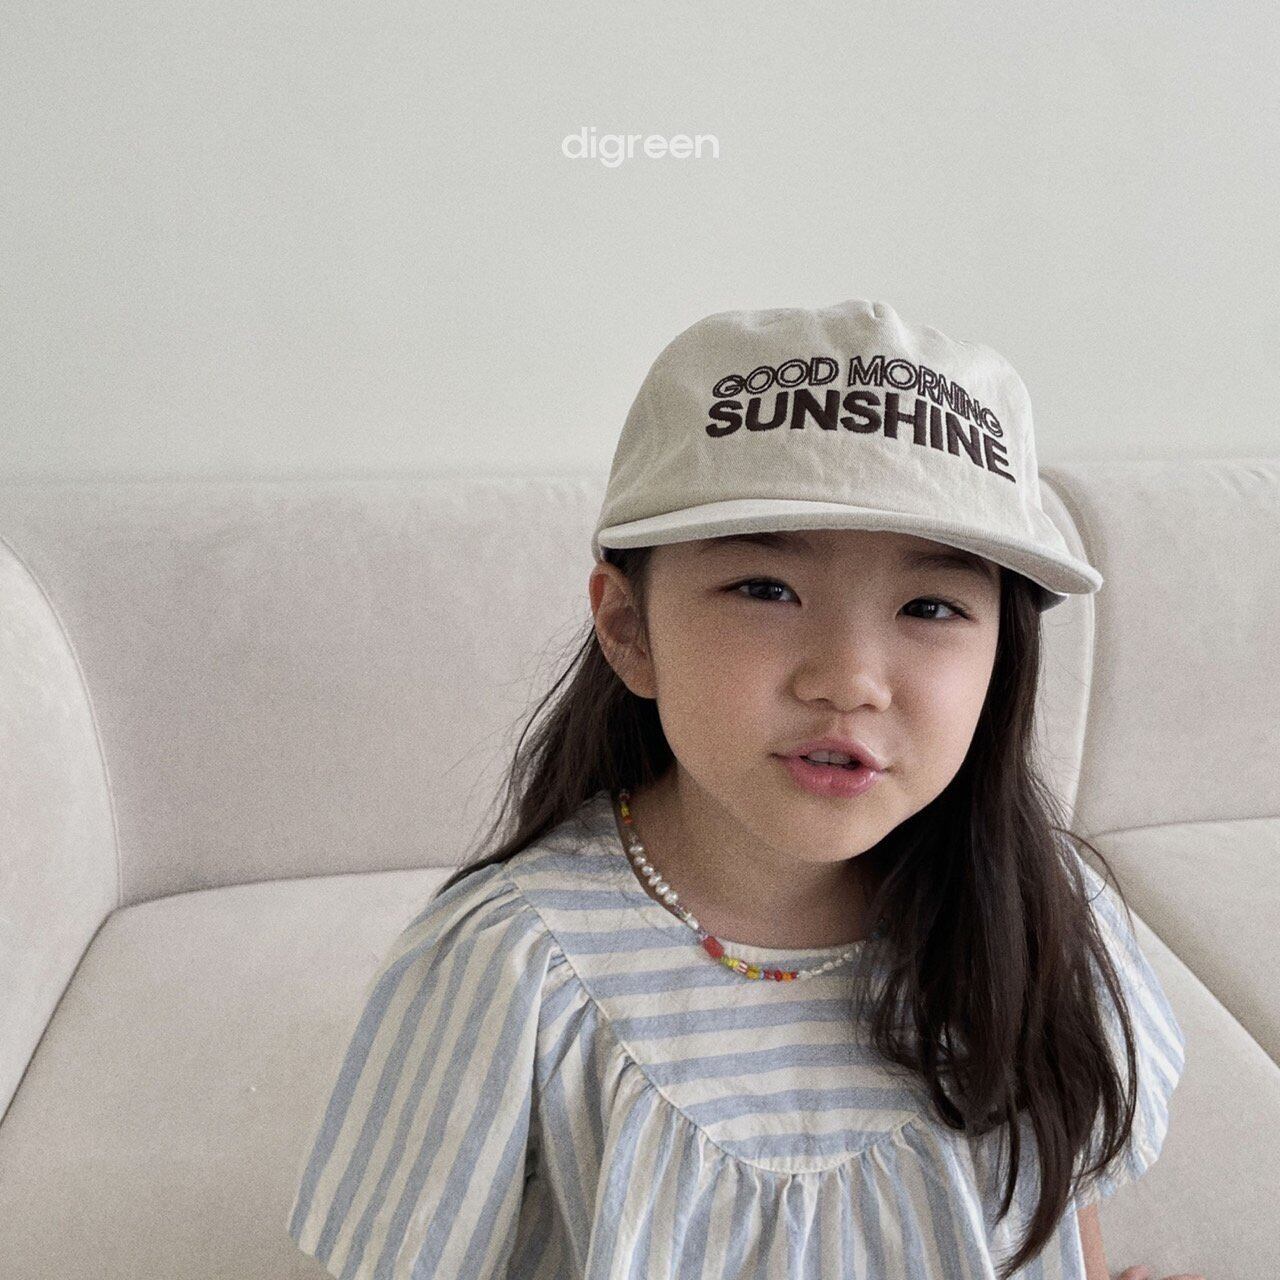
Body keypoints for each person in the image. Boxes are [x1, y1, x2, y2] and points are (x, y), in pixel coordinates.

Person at [284, 298, 1200, 1279]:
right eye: (766, 589)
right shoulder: (511, 966)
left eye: (930, 606)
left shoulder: (1044, 913)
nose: (849, 678)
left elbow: (1055, 1206)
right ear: (629, 629)